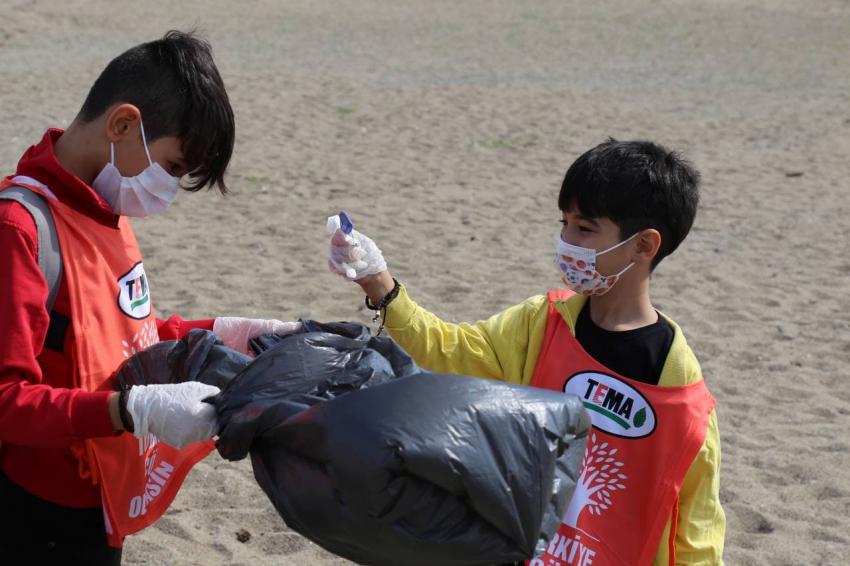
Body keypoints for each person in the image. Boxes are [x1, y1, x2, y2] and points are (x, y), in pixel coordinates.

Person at [326, 139, 726, 565]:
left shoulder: (680, 394)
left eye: (584, 228)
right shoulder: (543, 323)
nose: (565, 240)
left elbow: (696, 530)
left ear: (644, 245)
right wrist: (380, 284)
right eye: (565, 223)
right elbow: (453, 351)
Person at [0, 31, 298, 564]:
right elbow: (6, 400)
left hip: (102, 498)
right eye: (174, 167)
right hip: (34, 510)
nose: (168, 189)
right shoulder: (20, 231)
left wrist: (232, 332)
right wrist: (128, 409)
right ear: (122, 124)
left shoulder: (102, 210)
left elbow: (128, 335)